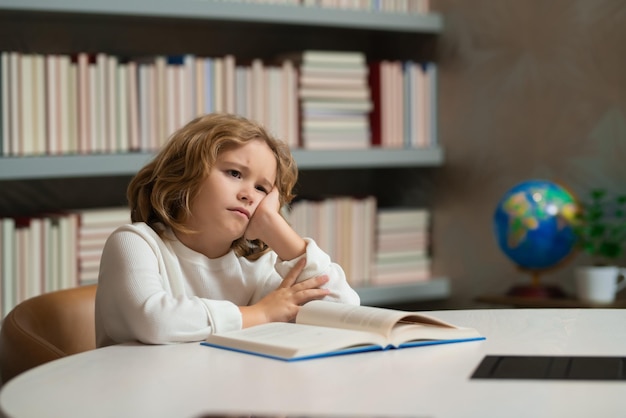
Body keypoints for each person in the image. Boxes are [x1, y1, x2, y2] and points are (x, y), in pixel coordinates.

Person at [95, 113, 360, 348]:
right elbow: (153, 320)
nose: (249, 195)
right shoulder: (135, 243)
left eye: (262, 189)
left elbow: (344, 312)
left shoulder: (257, 266)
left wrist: (279, 232)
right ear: (185, 173)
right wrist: (261, 314)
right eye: (234, 173)